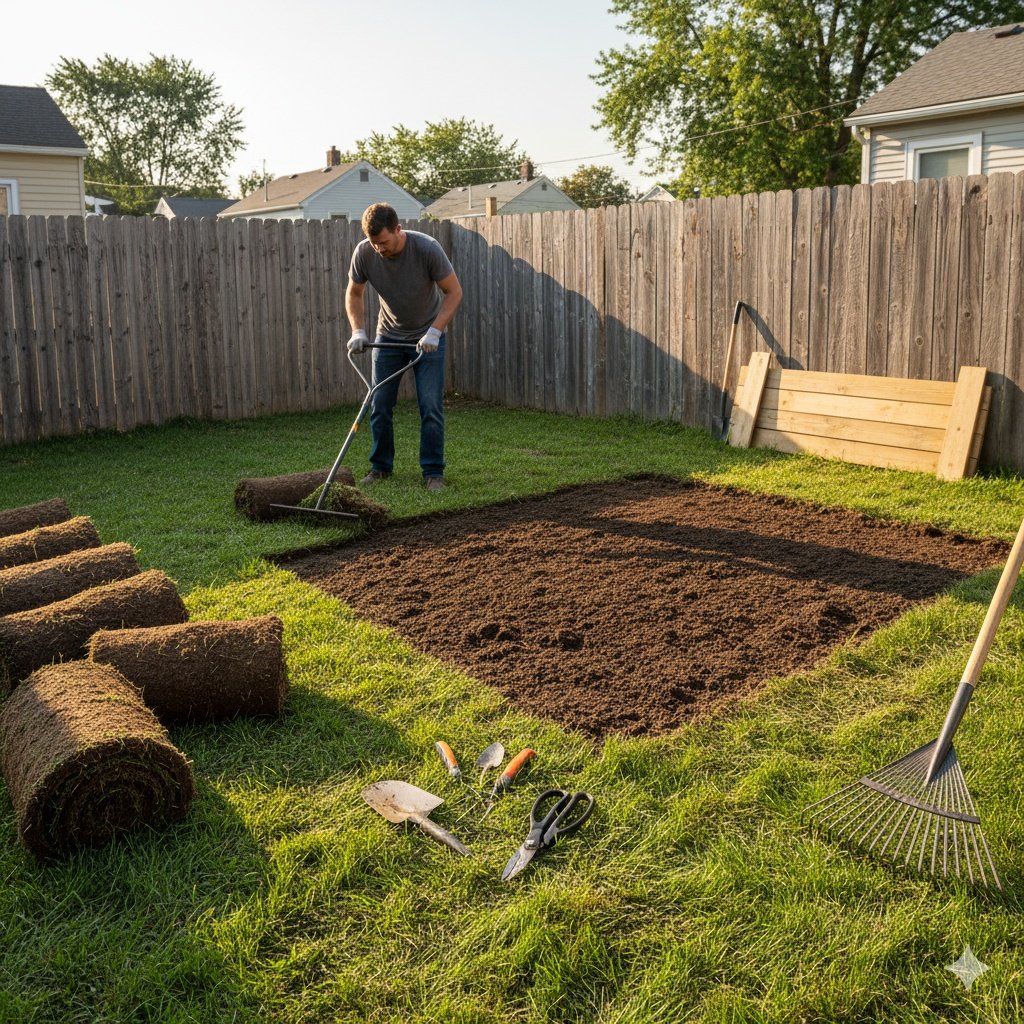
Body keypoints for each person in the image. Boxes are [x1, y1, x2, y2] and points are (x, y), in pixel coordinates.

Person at [345, 202, 463, 491]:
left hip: (427, 340)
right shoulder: (364, 253)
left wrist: (435, 332)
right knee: (380, 404)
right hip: (388, 337)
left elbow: (454, 292)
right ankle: (381, 467)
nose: (379, 249)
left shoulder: (427, 248)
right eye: (374, 243)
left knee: (430, 406)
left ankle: (433, 472)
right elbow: (354, 293)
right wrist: (358, 330)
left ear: (398, 230)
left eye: (383, 242)